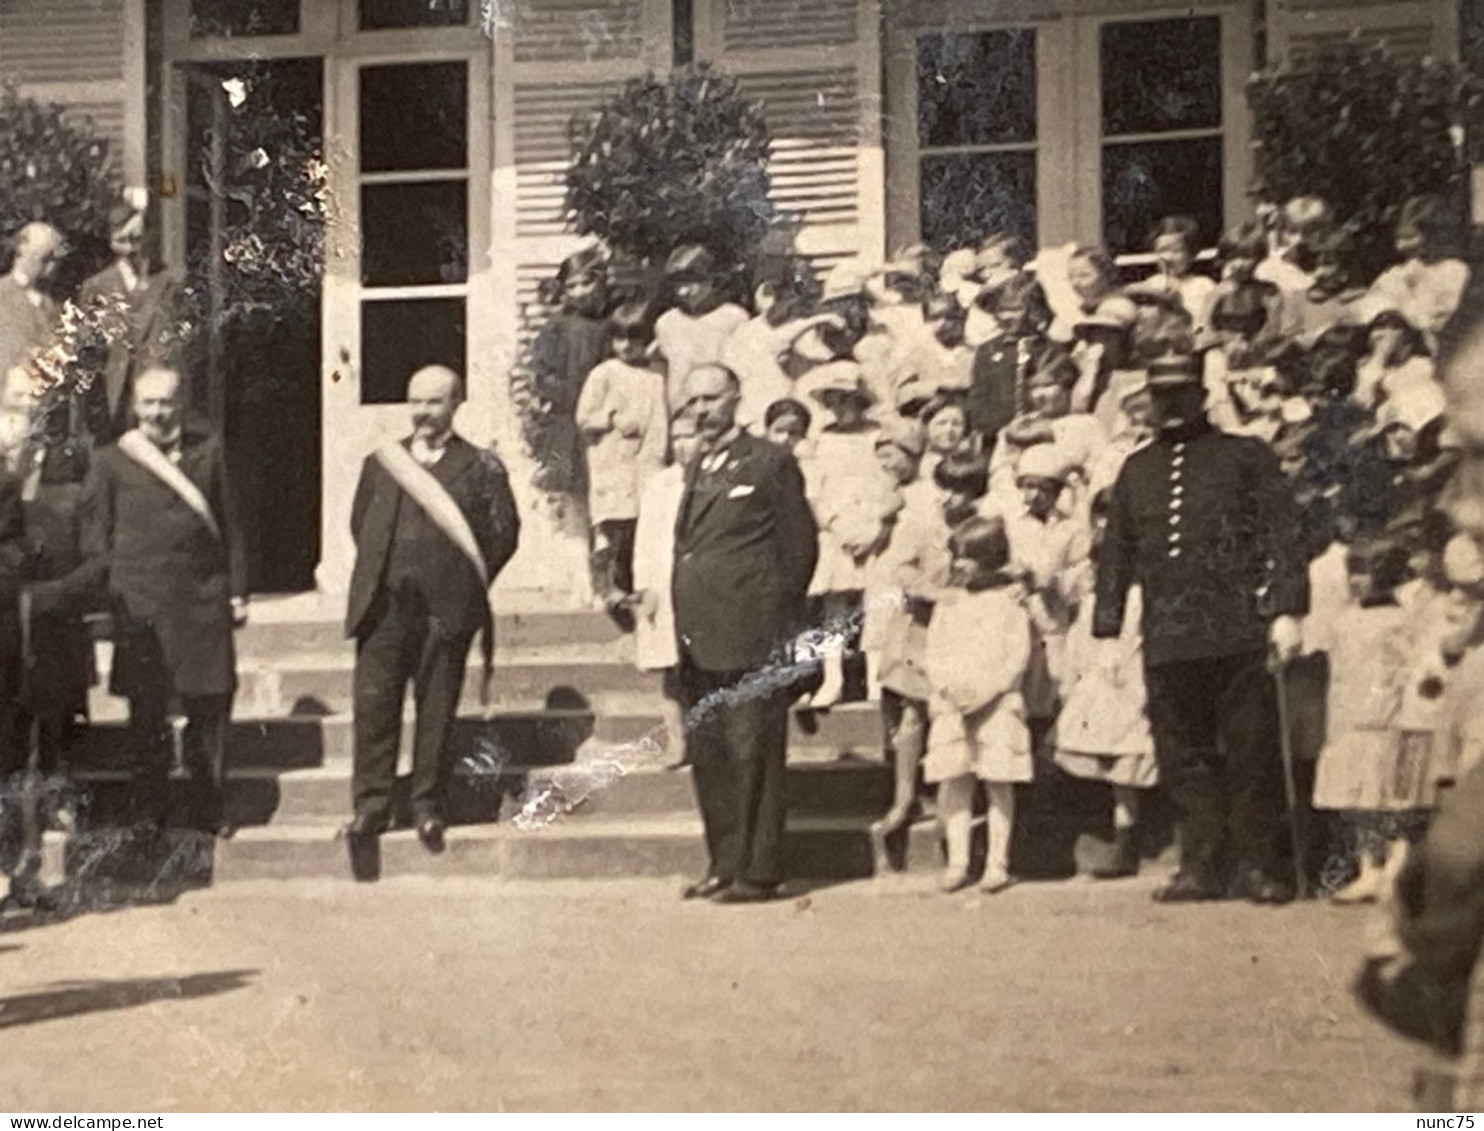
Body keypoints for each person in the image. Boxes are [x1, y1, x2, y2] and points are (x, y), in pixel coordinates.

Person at [1094, 351, 1310, 904]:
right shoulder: (1136, 468)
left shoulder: (1245, 456)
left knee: (1250, 751)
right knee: (1181, 755)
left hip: (1236, 629)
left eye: (1181, 393)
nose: (1170, 405)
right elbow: (1115, 552)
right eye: (1160, 395)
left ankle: (1258, 866)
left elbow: (1283, 533)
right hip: (1168, 633)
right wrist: (1108, 630)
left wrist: (1287, 610)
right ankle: (1200, 866)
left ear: (1202, 396)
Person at [343, 366, 521, 880]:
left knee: (437, 710)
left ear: (457, 404)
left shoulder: (481, 467)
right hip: (385, 609)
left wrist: (460, 582)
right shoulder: (382, 463)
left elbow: (502, 534)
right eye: (415, 401)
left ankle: (427, 808)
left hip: (446, 612)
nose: (422, 412)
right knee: (374, 709)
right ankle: (370, 808)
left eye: (434, 402)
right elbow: (363, 525)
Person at [77, 364, 247, 838]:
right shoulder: (110, 460)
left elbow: (231, 526)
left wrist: (236, 591)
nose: (157, 411)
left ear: (182, 403)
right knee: (146, 713)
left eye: (166, 401)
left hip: (202, 602)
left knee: (208, 709)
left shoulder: (209, 454)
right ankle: (148, 809)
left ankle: (208, 806)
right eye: (148, 402)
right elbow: (97, 538)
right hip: (141, 606)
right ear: (134, 406)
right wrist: (107, 599)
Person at [671, 363, 818, 903]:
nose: (701, 409)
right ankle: (723, 862)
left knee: (752, 750)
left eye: (712, 398)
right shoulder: (696, 464)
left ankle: (757, 872)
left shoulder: (769, 461)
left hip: (751, 631)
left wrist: (774, 619)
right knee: (711, 754)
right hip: (698, 634)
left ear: (736, 397)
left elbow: (799, 548)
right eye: (693, 402)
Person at [1307, 537, 1423, 903]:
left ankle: (1395, 868)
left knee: (1391, 797)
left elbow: (1411, 668)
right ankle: (1368, 868)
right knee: (1359, 802)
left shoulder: (1402, 621)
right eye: (1352, 574)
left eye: (1365, 573)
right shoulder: (1344, 620)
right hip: (1348, 719)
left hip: (1386, 720)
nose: (1356, 581)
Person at [922, 516, 1032, 894]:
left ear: (988, 557)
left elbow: (1017, 654)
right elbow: (934, 651)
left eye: (966, 557)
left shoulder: (1008, 602)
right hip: (954, 703)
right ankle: (958, 863)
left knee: (998, 781)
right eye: (956, 556)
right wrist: (950, 689)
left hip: (997, 704)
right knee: (957, 781)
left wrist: (988, 692)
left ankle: (997, 864)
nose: (958, 565)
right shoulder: (950, 602)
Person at [1054, 488, 1157, 879]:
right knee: (1107, 755)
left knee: (1131, 754)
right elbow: (1083, 639)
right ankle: (1119, 833)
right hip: (1099, 683)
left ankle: (1130, 838)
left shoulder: (1138, 596)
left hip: (1131, 681)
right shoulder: (1095, 596)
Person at [575, 301, 668, 627]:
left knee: (638, 530)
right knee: (612, 527)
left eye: (636, 339)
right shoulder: (603, 374)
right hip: (609, 462)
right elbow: (584, 418)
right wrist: (613, 418)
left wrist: (654, 462)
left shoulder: (655, 379)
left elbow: (659, 425)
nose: (627, 346)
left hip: (642, 465)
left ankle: (632, 592)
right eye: (620, 339)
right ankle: (609, 589)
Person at [77, 201, 182, 444]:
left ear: (148, 237)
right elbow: (87, 353)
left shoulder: (168, 283)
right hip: (113, 396)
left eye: (137, 239)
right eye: (124, 241)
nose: (133, 249)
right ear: (112, 242)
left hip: (156, 395)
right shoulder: (96, 287)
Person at [633, 413, 703, 765]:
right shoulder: (660, 484)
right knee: (668, 669)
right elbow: (645, 540)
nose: (681, 445)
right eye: (675, 438)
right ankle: (677, 742)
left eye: (689, 436)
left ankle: (707, 740)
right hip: (663, 582)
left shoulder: (712, 480)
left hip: (703, 586)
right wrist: (644, 588)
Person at [654, 245, 749, 415]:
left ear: (712, 280)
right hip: (678, 411)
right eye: (678, 284)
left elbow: (745, 372)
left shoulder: (733, 318)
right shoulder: (667, 322)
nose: (683, 291)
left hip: (719, 412)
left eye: (692, 282)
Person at [0, 222, 61, 376]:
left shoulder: (47, 303)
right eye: (45, 258)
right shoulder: (3, 294)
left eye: (54, 259)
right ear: (22, 253)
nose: (52, 267)